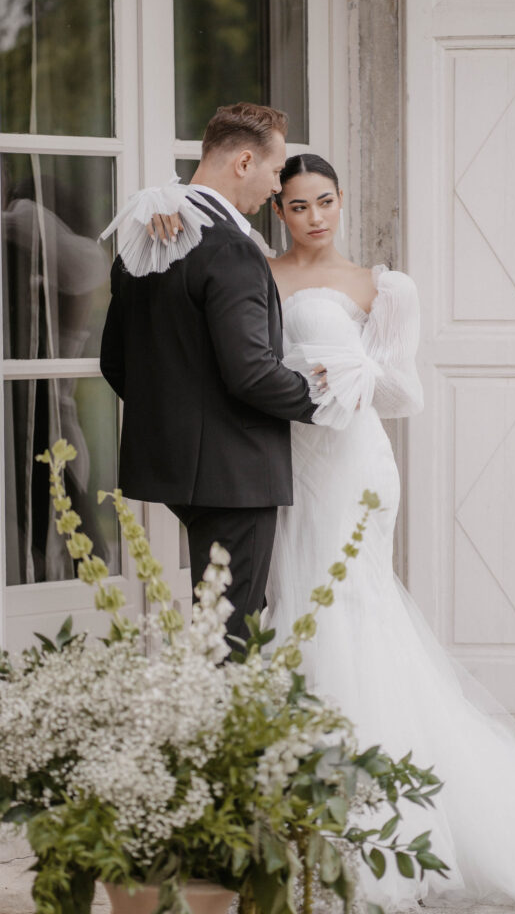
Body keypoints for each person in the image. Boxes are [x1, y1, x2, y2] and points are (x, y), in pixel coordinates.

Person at [266, 153, 515, 912]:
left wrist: (355, 374)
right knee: (291, 603)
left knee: (352, 613)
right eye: (298, 206)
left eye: (324, 201)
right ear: (279, 211)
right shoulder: (258, 275)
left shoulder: (380, 286)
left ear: (341, 199)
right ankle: (290, 810)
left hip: (354, 466)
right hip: (286, 462)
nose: (314, 218)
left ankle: (371, 823)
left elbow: (406, 393)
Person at [99, 103, 321, 645]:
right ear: (244, 162)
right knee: (230, 635)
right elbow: (252, 373)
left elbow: (115, 362)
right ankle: (217, 705)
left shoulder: (146, 237)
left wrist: (180, 421)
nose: (277, 187)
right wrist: (321, 396)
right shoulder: (230, 247)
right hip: (236, 475)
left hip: (177, 468)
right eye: (275, 171)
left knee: (216, 622)